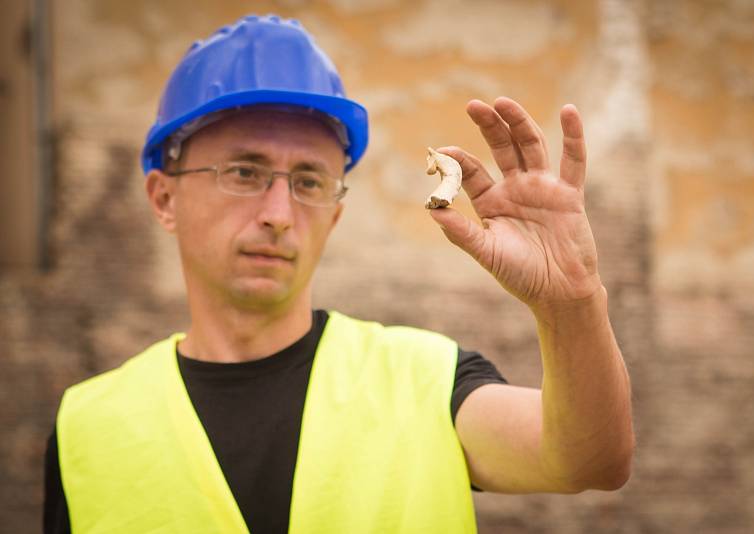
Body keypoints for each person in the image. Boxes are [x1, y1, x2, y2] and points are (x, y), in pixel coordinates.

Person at [43, 14, 634, 534]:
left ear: (336, 212)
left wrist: (572, 304)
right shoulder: (85, 431)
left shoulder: (427, 380)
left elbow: (588, 461)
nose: (278, 214)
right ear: (163, 198)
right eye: (245, 173)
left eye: (309, 182)